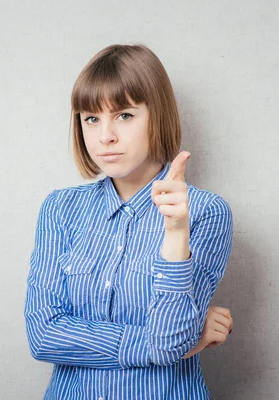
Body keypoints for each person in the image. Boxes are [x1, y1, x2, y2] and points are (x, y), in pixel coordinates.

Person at [25, 44, 234, 399]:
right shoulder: (59, 209)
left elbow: (170, 338)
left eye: (124, 115)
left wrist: (175, 233)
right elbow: (43, 336)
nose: (105, 135)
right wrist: (160, 345)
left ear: (159, 116)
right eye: (91, 118)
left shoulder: (206, 212)